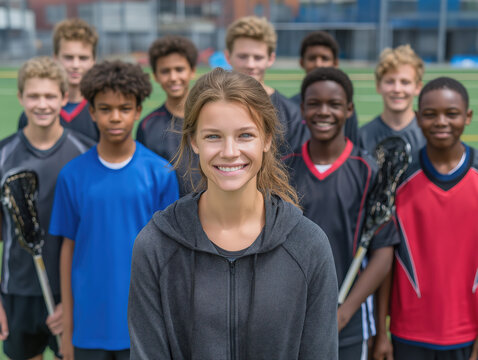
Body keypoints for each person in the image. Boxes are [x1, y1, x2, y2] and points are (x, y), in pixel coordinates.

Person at [128, 67, 339, 359]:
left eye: (245, 135)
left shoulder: (308, 245)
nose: (229, 151)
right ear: (193, 141)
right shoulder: (155, 246)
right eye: (213, 136)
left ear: (266, 139)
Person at [49, 60, 179, 360]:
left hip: (143, 325)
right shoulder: (72, 175)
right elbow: (67, 249)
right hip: (88, 326)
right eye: (105, 109)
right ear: (91, 112)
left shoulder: (159, 173)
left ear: (137, 111)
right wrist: (67, 331)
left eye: (124, 108)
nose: (115, 117)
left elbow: (170, 253)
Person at [283, 67, 399, 360]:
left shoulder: (368, 170)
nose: (324, 112)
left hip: (348, 322)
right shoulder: (281, 169)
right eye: (314, 104)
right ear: (302, 109)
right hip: (289, 315)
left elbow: (383, 254)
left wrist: (344, 314)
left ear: (348, 109)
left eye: (334, 104)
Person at [373, 77, 478, 360]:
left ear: (468, 117)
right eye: (430, 114)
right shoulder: (399, 178)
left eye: (451, 113)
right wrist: (382, 333)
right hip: (406, 334)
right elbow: (386, 259)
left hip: (467, 335)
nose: (441, 121)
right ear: (418, 118)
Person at [0, 57, 94, 360]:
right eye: (34, 95)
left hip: (71, 292)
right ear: (20, 97)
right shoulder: (3, 155)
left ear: (64, 98)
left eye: (51, 96)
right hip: (17, 291)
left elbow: (93, 238)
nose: (42, 104)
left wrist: (74, 299)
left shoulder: (86, 154)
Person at [224, 15, 308, 155]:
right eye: (242, 56)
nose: (250, 65)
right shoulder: (211, 105)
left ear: (271, 59)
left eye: (258, 57)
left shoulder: (289, 112)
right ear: (228, 57)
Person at [136, 35, 200, 196]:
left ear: (192, 71)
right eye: (165, 71)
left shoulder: (210, 117)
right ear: (156, 76)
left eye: (179, 69)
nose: (173, 77)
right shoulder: (147, 126)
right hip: (169, 216)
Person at [18, 18, 99, 141]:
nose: (75, 65)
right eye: (68, 57)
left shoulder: (102, 110)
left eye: (83, 58)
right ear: (55, 58)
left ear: (94, 60)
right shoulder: (33, 113)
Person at [289, 31, 358, 144]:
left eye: (324, 59)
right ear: (302, 62)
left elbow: (353, 144)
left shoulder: (343, 107)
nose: (318, 64)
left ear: (335, 63)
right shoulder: (290, 107)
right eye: (312, 58)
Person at [359, 44, 425, 154]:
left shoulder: (428, 134)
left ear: (418, 87)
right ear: (378, 86)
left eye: (405, 82)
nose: (397, 89)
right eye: (389, 82)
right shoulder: (362, 136)